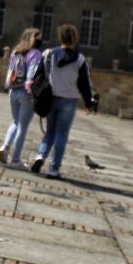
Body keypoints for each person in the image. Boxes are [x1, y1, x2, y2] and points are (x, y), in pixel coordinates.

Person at [29, 24, 98, 179]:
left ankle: (40, 156)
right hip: (69, 101)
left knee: (50, 131)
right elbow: (85, 84)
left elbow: (37, 76)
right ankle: (54, 169)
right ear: (74, 38)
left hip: (50, 98)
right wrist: (89, 103)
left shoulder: (48, 53)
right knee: (61, 134)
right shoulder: (80, 59)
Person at [0, 28, 42, 167]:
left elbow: (10, 71)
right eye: (38, 38)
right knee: (23, 126)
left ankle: (5, 146)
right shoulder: (35, 54)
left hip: (13, 91)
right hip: (25, 93)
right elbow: (32, 74)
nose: (40, 40)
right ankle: (16, 160)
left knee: (16, 122)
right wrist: (31, 91)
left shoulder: (16, 51)